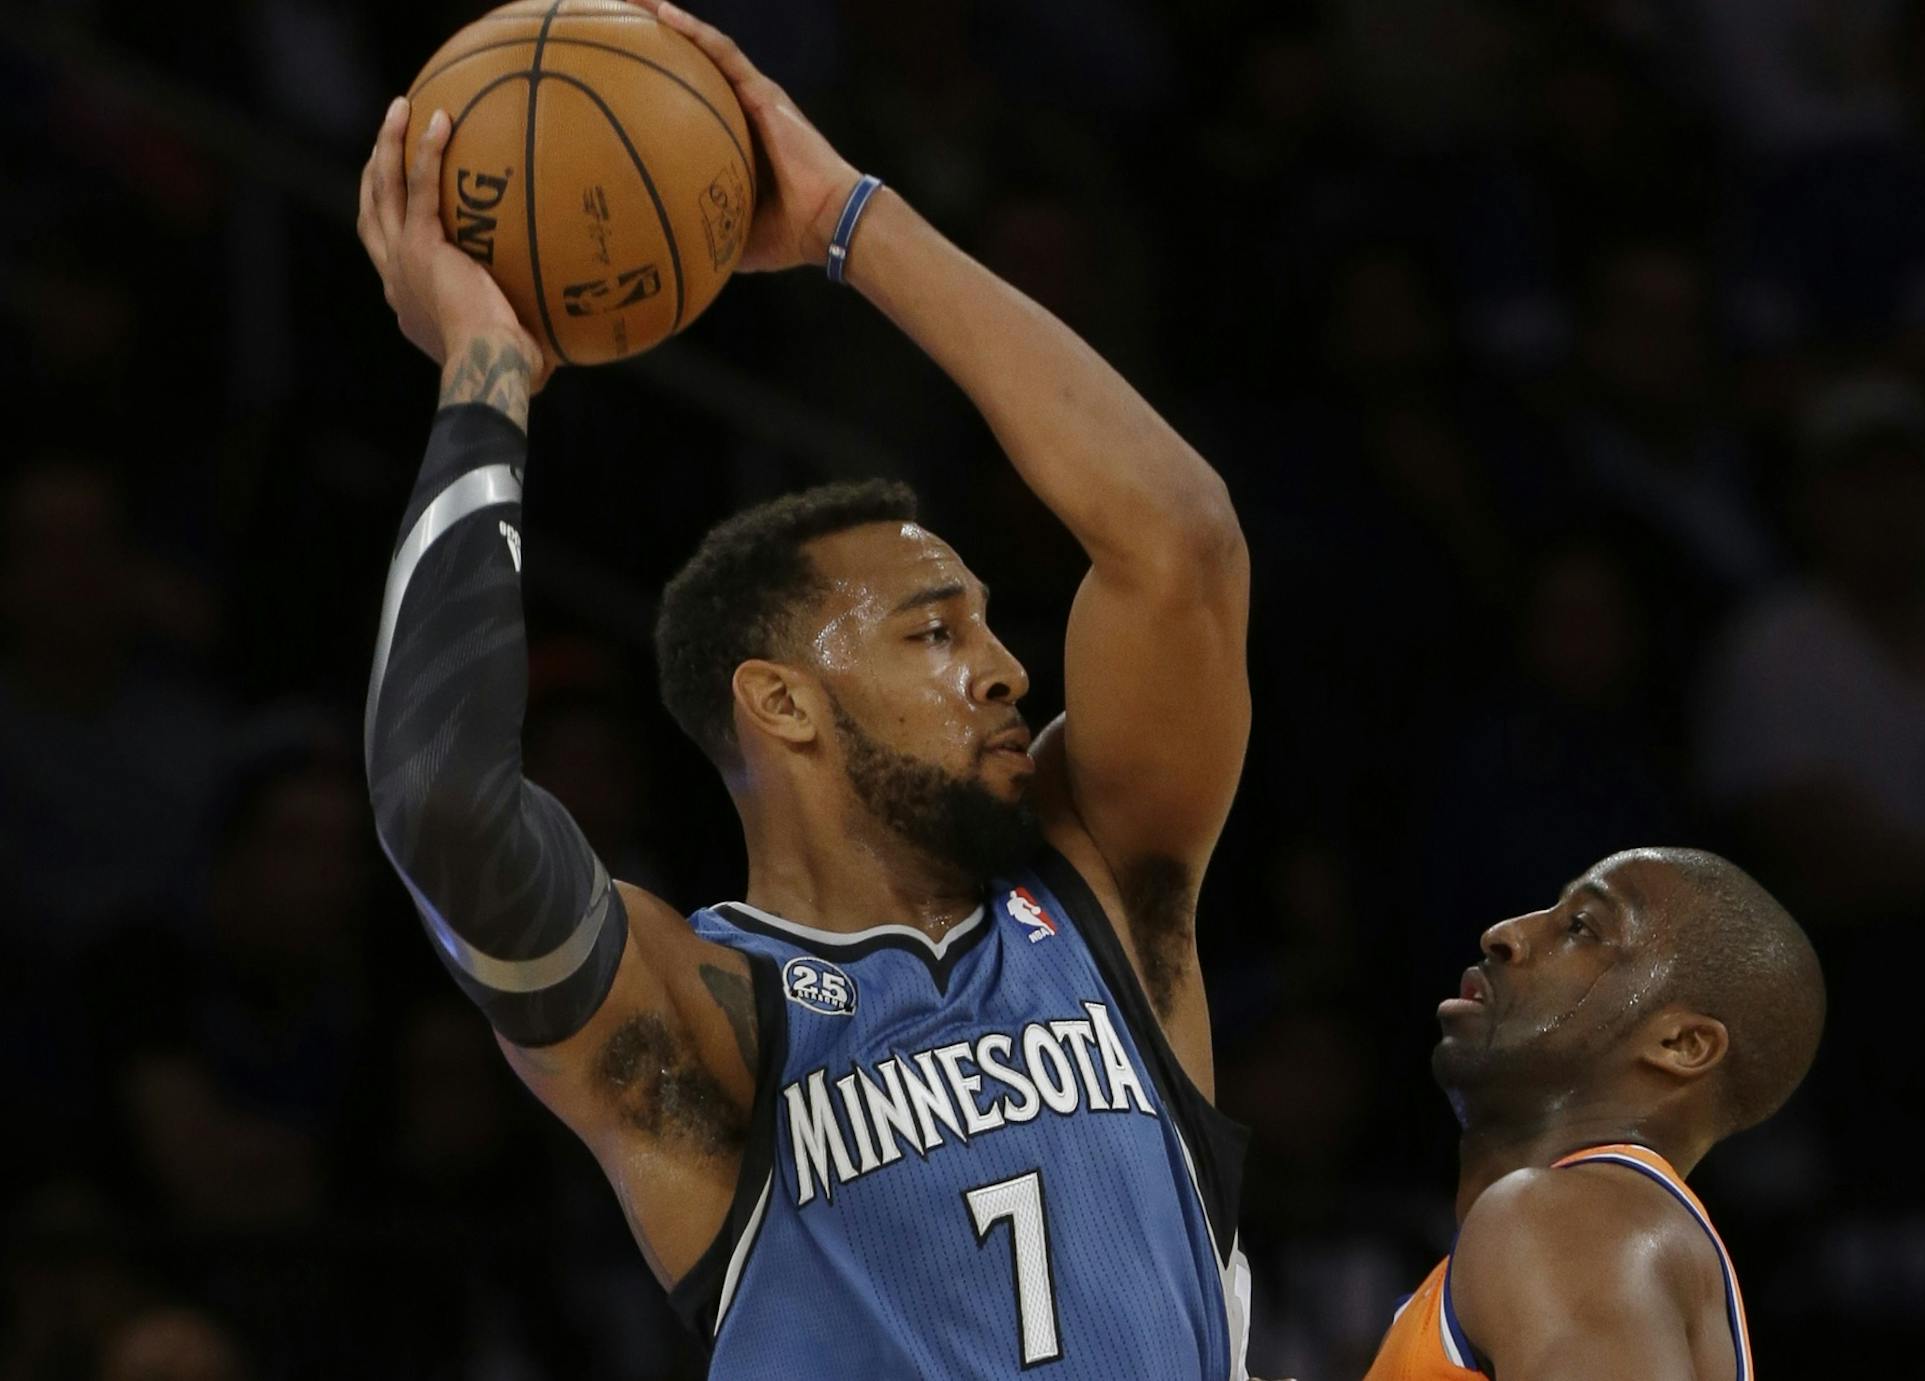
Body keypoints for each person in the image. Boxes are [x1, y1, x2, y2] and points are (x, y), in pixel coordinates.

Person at [352, 6, 1253, 1378]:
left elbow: (1178, 542)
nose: (1007, 667)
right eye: (934, 630)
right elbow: (439, 799)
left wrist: (849, 221)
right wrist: (485, 378)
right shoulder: (705, 1021)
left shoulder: (1105, 894)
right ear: (781, 703)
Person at [1365, 847, 1825, 1379]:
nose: (1503, 933)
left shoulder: (1566, 1220)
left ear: (1681, 1043)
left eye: (1581, 928)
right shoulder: (1579, 1233)